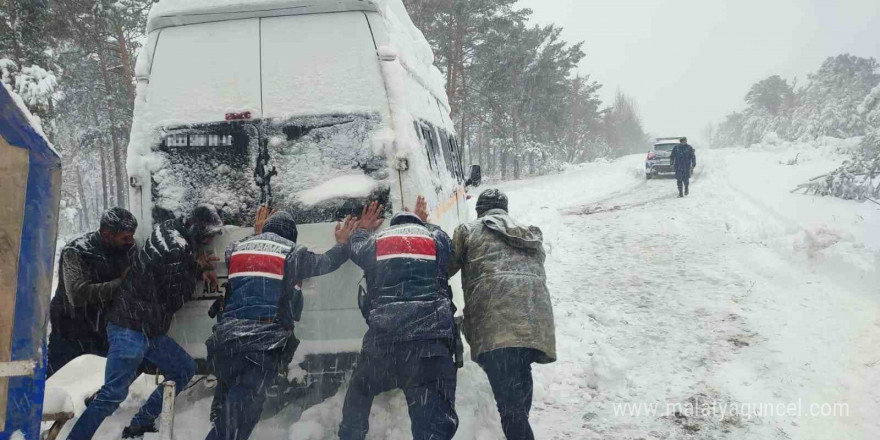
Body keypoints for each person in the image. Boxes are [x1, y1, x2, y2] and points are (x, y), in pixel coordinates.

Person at [66, 205, 224, 440]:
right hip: (129, 326)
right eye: (207, 236)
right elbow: (175, 299)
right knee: (112, 395)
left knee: (183, 369)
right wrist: (195, 271)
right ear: (196, 231)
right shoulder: (177, 250)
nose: (210, 240)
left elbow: (170, 267)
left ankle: (140, 423)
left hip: (145, 325)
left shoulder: (170, 229)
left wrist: (195, 261)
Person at [204, 209, 358, 440]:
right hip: (259, 348)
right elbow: (327, 262)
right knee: (234, 420)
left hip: (225, 343)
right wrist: (343, 243)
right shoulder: (293, 253)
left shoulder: (236, 248)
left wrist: (258, 235)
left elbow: (253, 255)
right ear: (291, 237)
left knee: (242, 413)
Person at [338, 197, 459, 440]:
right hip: (431, 346)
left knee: (359, 395)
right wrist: (427, 223)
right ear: (418, 223)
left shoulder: (377, 242)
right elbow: (448, 250)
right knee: (433, 427)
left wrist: (362, 229)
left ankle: (352, 433)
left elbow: (357, 246)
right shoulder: (435, 238)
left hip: (385, 345)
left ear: (393, 225)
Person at [447, 189, 556, 440]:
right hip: (534, 323)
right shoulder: (528, 234)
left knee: (510, 409)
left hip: (495, 326)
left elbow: (443, 268)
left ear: (479, 212)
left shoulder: (468, 231)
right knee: (518, 385)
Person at [46, 208, 137, 378]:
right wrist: (120, 284)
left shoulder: (128, 249)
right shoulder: (76, 251)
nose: (131, 241)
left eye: (132, 236)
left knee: (98, 377)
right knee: (61, 377)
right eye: (125, 237)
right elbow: (78, 294)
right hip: (71, 325)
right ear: (106, 234)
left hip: (103, 324)